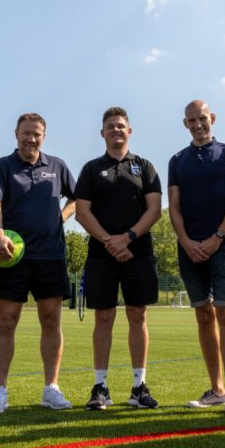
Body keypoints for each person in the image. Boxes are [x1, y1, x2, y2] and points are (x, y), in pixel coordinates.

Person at [0, 112, 76, 413]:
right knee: (6, 321)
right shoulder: (1, 166)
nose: (30, 138)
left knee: (51, 321)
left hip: (51, 255)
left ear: (43, 136)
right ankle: (0, 391)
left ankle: (51, 388)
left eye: (36, 134)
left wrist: (61, 217)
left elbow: (77, 198)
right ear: (16, 134)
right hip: (12, 257)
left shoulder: (57, 166)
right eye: (26, 133)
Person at [167, 100, 225, 418]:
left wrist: (216, 238)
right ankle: (215, 390)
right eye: (192, 120)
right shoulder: (177, 161)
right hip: (189, 248)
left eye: (202, 118)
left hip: (224, 244)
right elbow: (174, 207)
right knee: (203, 316)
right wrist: (187, 241)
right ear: (185, 124)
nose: (198, 124)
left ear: (212, 118)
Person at [75, 107, 162, 411]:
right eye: (110, 126)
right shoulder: (90, 169)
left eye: (121, 126)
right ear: (102, 133)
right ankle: (100, 387)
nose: (116, 130)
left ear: (129, 131)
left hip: (138, 253)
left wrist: (128, 238)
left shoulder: (145, 166)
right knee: (103, 318)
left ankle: (139, 387)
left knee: (137, 316)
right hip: (101, 255)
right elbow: (81, 212)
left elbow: (154, 210)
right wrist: (109, 242)